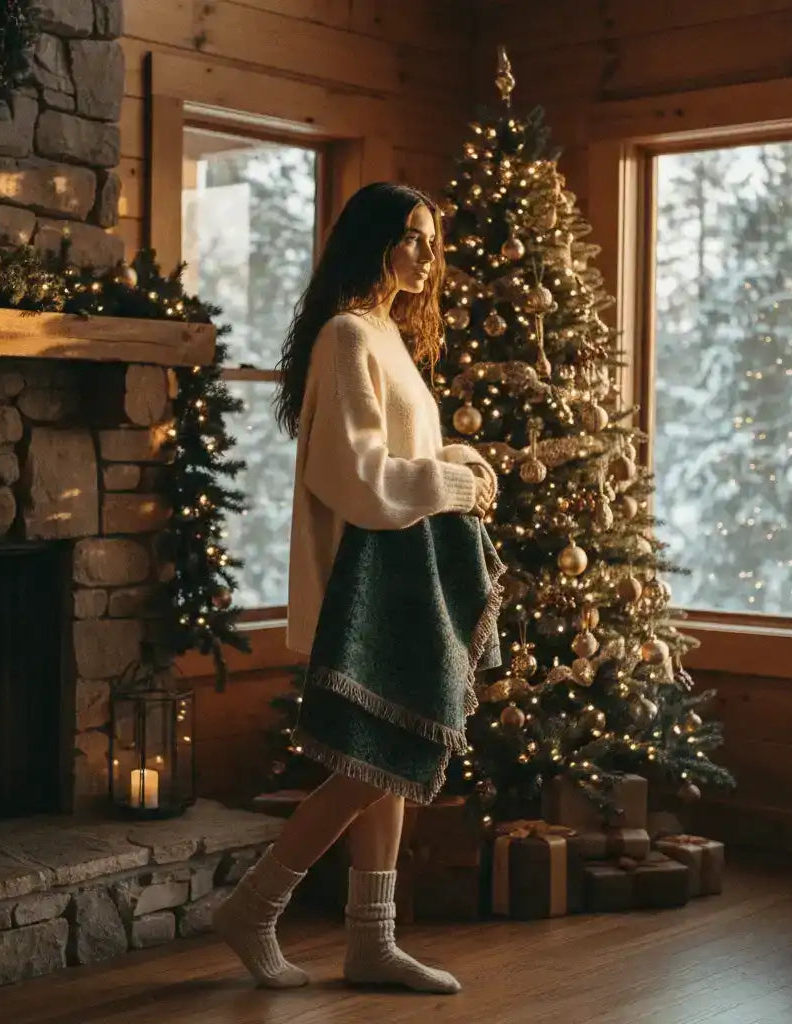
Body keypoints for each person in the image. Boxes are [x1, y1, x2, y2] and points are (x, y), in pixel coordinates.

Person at [213, 182, 503, 995]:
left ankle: (371, 942)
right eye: (411, 237)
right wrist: (451, 481)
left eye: (431, 241)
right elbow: (361, 476)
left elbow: (405, 449)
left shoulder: (384, 335)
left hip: (403, 579)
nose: (425, 254)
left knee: (394, 759)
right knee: (373, 764)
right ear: (372, 239)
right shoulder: (347, 335)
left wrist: (462, 459)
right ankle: (255, 906)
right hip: (367, 587)